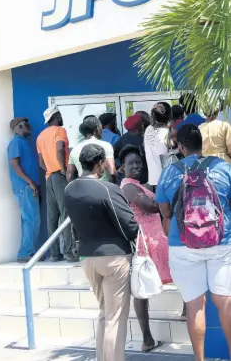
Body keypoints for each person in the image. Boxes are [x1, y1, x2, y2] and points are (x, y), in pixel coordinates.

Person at [157, 124, 231, 361]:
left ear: (180, 146)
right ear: (203, 144)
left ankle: (199, 359)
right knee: (225, 301)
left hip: (183, 245)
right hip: (221, 242)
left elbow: (165, 212)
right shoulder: (223, 168)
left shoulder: (169, 172)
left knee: (195, 305)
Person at [65, 144, 139, 361]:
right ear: (99, 164)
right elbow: (131, 226)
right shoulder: (108, 189)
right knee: (115, 318)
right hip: (114, 258)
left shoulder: (69, 190)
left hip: (88, 257)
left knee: (104, 314)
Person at [120, 145, 172, 352]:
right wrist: (165, 196)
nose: (136, 166)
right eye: (131, 163)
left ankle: (187, 310)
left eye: (139, 163)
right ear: (122, 167)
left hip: (157, 237)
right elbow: (151, 207)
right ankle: (147, 338)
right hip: (146, 240)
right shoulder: (128, 186)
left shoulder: (138, 184)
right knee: (141, 291)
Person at [37, 104, 75, 262]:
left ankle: (54, 254)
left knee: (52, 218)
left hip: (49, 177)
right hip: (60, 176)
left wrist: (51, 169)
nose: (61, 117)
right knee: (66, 214)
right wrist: (64, 169)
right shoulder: (60, 131)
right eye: (59, 115)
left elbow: (41, 162)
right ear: (56, 116)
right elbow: (60, 150)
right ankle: (68, 252)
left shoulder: (40, 136)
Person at [8, 117, 41, 263]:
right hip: (25, 187)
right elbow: (14, 165)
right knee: (30, 220)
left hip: (29, 187)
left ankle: (29, 251)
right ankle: (25, 253)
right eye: (27, 125)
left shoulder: (23, 143)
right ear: (19, 127)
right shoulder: (16, 142)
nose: (30, 127)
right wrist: (30, 182)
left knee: (32, 220)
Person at [67, 115, 116, 184]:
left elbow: (70, 176)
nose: (102, 131)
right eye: (101, 128)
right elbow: (112, 173)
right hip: (103, 188)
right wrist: (113, 188)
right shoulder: (106, 146)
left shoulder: (75, 149)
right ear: (97, 128)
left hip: (83, 189)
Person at [144, 102, 172, 190]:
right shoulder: (169, 132)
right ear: (169, 115)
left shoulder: (148, 130)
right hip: (167, 179)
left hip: (153, 179)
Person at [114, 114, 148, 184]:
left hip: (127, 175)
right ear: (139, 126)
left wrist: (120, 165)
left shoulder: (123, 138)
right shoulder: (143, 140)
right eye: (142, 124)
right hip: (142, 176)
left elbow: (112, 153)